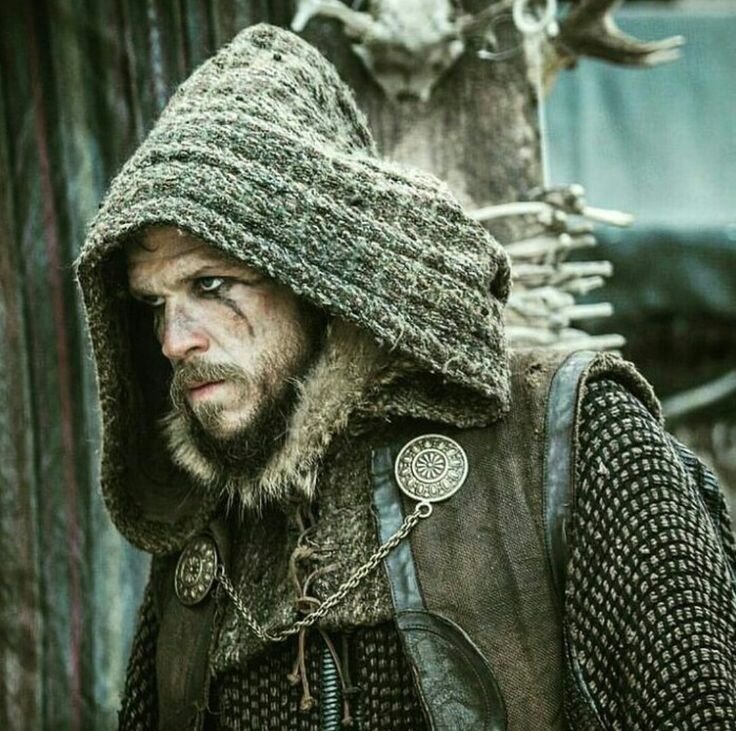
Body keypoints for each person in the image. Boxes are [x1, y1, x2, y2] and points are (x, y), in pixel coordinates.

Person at [76, 23, 736, 731]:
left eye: (211, 284)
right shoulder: (204, 545)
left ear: (315, 276)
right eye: (155, 305)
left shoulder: (568, 443)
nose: (174, 340)